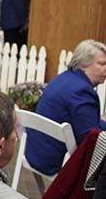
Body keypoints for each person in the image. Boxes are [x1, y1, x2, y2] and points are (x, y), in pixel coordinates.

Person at [26, 39, 106, 176]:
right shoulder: (83, 91)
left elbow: (82, 123)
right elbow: (90, 139)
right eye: (102, 63)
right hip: (56, 162)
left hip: (34, 154)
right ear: (84, 65)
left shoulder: (62, 79)